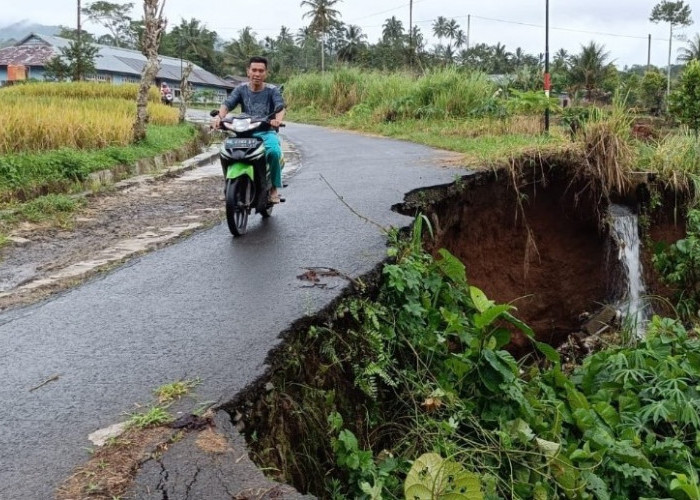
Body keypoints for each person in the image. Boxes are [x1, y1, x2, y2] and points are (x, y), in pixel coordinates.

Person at [212, 56, 286, 203]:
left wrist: (277, 120)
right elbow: (228, 104)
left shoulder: (272, 90)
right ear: (248, 71)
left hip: (266, 131)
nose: (257, 74)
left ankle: (273, 189)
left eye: (261, 71)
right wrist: (219, 118)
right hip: (243, 132)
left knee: (274, 152)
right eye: (254, 70)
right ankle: (229, 184)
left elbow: (280, 107)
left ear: (266, 73)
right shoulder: (240, 89)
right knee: (225, 152)